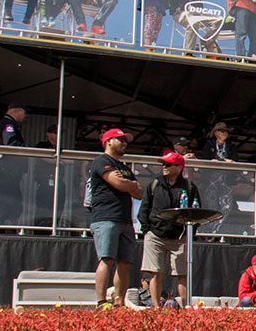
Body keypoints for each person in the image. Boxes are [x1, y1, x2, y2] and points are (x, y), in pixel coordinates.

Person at [136, 151, 203, 309]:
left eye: (168, 164)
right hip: (155, 235)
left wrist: (189, 233)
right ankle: (155, 306)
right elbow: (144, 209)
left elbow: (196, 211)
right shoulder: (155, 184)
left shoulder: (189, 187)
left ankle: (186, 307)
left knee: (182, 274)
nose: (164, 167)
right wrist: (147, 230)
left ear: (179, 167)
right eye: (163, 164)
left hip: (178, 237)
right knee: (155, 272)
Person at [86, 128, 144, 310]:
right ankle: (101, 302)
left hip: (125, 220)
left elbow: (139, 193)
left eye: (125, 140)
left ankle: (119, 302)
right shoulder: (101, 161)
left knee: (125, 263)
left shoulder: (124, 168)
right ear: (108, 141)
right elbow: (118, 183)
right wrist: (129, 185)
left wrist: (129, 184)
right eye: (120, 139)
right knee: (107, 259)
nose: (124, 143)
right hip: (106, 218)